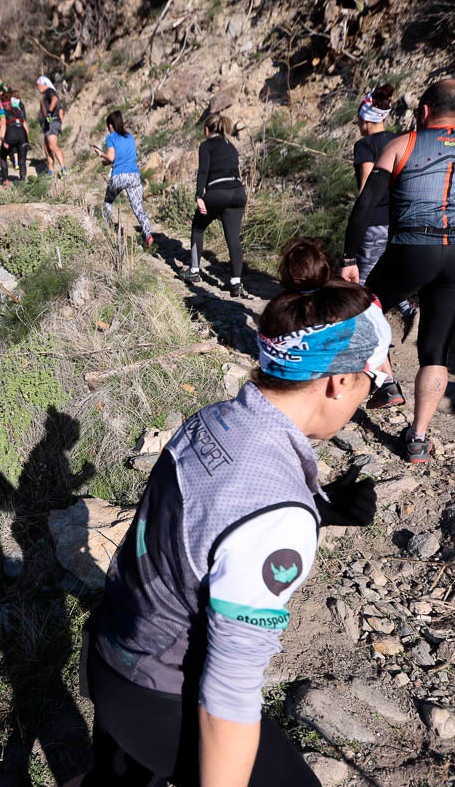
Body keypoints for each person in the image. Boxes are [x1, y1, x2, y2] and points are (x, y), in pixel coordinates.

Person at [74, 237, 389, 787]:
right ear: (340, 381)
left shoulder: (214, 420)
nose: (370, 398)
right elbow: (229, 691)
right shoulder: (277, 516)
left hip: (113, 646)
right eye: (374, 382)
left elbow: (209, 520)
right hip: (161, 691)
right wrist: (297, 515)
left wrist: (320, 508)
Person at [341, 78, 455, 462]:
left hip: (413, 247)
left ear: (425, 110)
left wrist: (349, 258)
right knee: (436, 350)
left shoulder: (403, 144)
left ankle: (386, 383)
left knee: (364, 309)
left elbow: (366, 204)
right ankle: (417, 438)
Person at [351, 83, 417, 343]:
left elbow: (367, 188)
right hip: (400, 220)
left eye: (359, 118)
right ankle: (407, 309)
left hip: (374, 221)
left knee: (362, 279)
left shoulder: (365, 145)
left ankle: (369, 335)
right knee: (389, 272)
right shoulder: (400, 141)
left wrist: (357, 223)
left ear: (365, 119)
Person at [186, 113, 251, 298]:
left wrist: (199, 196)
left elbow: (203, 172)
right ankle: (236, 282)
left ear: (207, 130)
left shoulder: (206, 146)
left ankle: (194, 271)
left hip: (218, 193)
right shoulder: (232, 147)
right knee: (233, 237)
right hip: (238, 193)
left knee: (198, 228)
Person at [97, 110, 154, 247]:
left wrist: (100, 154)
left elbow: (111, 157)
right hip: (134, 176)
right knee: (138, 208)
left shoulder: (111, 137)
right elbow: (122, 157)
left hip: (119, 176)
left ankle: (107, 228)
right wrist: (106, 162)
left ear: (111, 125)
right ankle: (148, 234)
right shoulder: (130, 137)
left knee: (108, 201)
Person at [0, 90, 30, 184]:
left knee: (3, 156)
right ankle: (23, 181)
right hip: (22, 134)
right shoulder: (19, 110)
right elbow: (26, 128)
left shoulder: (2, 111)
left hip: (11, 134)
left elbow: (3, 124)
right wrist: (27, 140)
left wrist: (3, 139)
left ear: (2, 102)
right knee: (22, 160)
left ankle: (5, 180)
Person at [36, 76, 67, 176]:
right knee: (47, 148)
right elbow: (60, 109)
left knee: (52, 146)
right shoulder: (46, 94)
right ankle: (50, 171)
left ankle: (64, 168)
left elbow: (54, 99)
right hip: (48, 124)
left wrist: (50, 113)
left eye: (38, 85)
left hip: (52, 122)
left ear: (43, 84)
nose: (37, 87)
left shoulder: (49, 91)